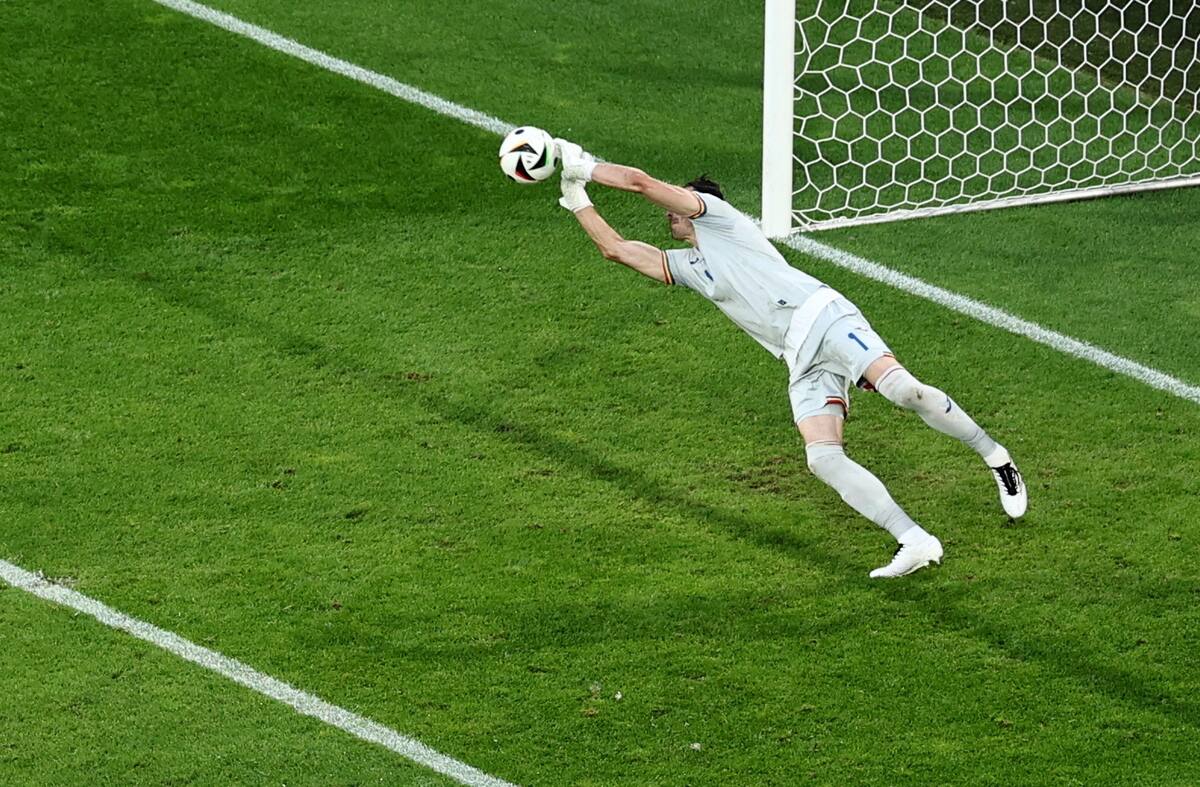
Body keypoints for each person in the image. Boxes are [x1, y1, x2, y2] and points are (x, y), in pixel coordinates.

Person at [550, 136, 1027, 578]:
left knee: (906, 391)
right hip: (798, 356)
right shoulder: (691, 265)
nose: (668, 213)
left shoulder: (720, 219)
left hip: (824, 316)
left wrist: (585, 165)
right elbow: (615, 250)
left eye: (677, 203)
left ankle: (995, 456)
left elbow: (640, 183)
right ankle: (914, 540)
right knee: (822, 459)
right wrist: (577, 199)